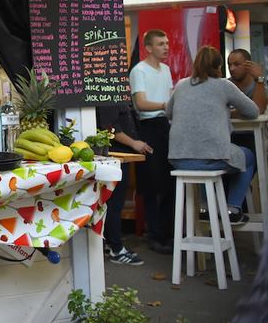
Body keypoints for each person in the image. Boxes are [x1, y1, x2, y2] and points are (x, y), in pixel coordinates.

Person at [167, 46, 259, 225]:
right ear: (219, 67)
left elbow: (168, 112)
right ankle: (233, 209)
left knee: (202, 155)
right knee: (248, 156)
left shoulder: (181, 84)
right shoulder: (224, 85)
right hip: (209, 158)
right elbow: (253, 111)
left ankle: (205, 208)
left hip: (178, 159)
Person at [129, 29, 174, 254]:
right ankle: (154, 236)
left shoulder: (166, 69)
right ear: (148, 48)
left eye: (166, 43)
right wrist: (166, 105)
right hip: (148, 128)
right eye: (160, 43)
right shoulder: (139, 70)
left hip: (166, 127)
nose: (166, 47)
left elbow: (171, 96)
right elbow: (141, 103)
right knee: (152, 185)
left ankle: (167, 233)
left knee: (169, 184)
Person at [96, 105, 153, 266]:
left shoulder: (116, 91)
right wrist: (134, 143)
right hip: (117, 155)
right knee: (114, 204)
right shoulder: (108, 93)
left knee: (113, 203)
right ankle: (116, 248)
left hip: (121, 154)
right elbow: (110, 127)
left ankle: (110, 244)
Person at [228, 49, 267, 152]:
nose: (232, 68)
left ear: (249, 66)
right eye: (229, 64)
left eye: (237, 64)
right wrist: (244, 112)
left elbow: (258, 110)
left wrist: (259, 79)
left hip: (253, 136)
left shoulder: (259, 86)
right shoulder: (225, 85)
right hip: (227, 136)